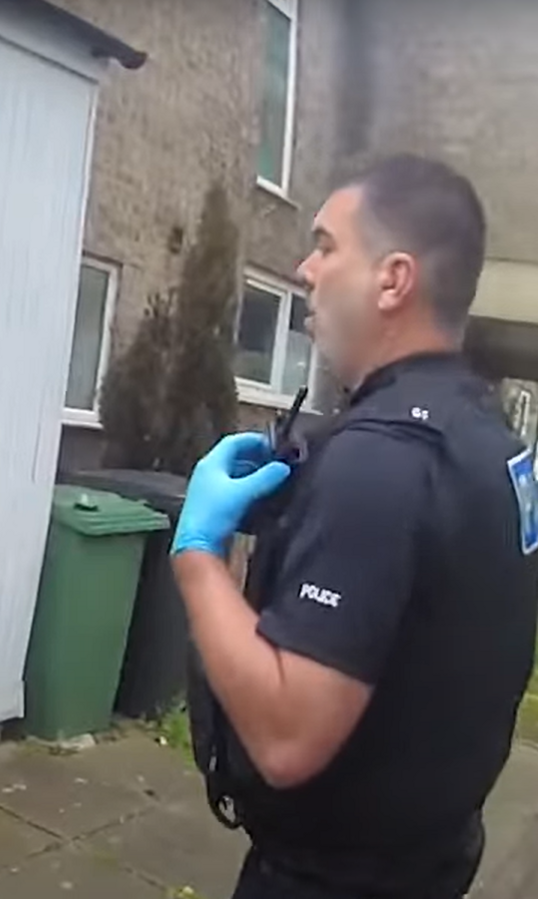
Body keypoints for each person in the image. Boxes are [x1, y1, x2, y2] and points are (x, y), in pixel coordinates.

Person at [172, 153, 538, 899]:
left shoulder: (380, 460)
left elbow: (286, 736)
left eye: (327, 244)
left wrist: (197, 552)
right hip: (431, 859)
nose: (305, 268)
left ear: (393, 279)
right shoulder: (492, 442)